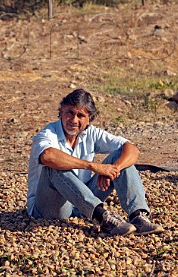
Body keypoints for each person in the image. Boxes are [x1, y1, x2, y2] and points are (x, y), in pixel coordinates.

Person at [27, 88, 164, 236]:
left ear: (89, 120)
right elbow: (48, 156)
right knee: (53, 166)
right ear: (61, 111)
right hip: (49, 208)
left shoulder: (91, 133)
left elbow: (132, 149)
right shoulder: (48, 133)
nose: (74, 120)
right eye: (70, 113)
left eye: (80, 115)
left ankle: (138, 216)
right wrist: (94, 166)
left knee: (121, 156)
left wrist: (113, 169)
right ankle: (103, 217)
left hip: (81, 206)